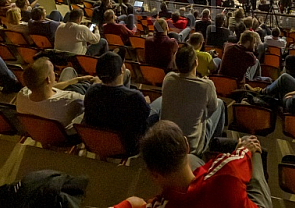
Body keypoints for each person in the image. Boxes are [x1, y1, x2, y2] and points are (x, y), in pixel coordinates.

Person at [112, 121, 272, 208]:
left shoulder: (161, 204)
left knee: (196, 161)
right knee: (252, 148)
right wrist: (244, 147)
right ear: (187, 145)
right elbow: (242, 155)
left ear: (153, 174)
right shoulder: (225, 173)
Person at [150, 44, 226, 156]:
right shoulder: (207, 85)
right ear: (196, 62)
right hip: (192, 146)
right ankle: (215, 145)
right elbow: (211, 110)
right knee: (220, 104)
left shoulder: (168, 79)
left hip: (167, 140)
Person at [83, 53, 152, 155]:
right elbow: (144, 115)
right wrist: (145, 101)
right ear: (121, 70)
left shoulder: (91, 92)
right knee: (158, 105)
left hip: (98, 142)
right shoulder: (135, 97)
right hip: (128, 146)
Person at [16, 57, 96, 129]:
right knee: (84, 85)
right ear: (48, 79)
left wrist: (77, 79)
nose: (55, 73)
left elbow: (49, 88)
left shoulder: (22, 94)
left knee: (68, 70)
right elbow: (91, 102)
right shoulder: (70, 99)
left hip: (40, 132)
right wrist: (96, 84)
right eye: (52, 71)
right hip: (67, 137)